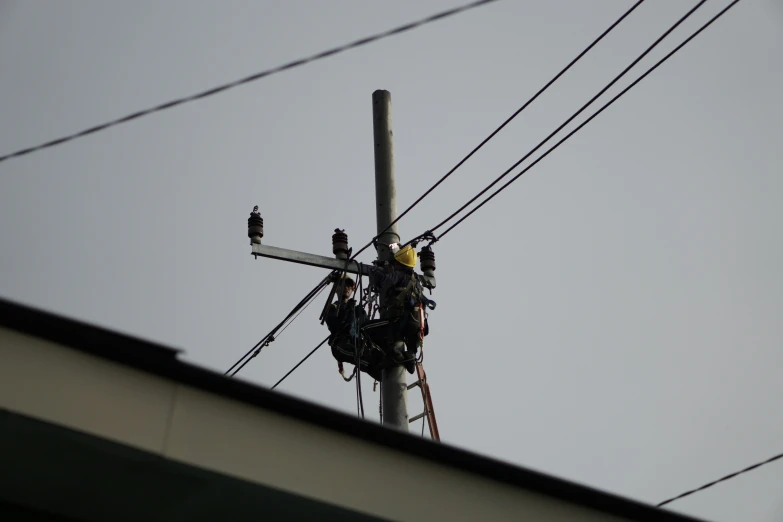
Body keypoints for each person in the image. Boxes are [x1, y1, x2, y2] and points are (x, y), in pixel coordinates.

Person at [368, 243, 431, 374]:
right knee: (409, 339)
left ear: (398, 263)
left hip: (398, 323)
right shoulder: (418, 282)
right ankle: (411, 355)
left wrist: (375, 270)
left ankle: (394, 354)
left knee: (364, 329)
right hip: (418, 328)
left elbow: (383, 281)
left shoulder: (398, 275)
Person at [324, 276, 384, 382]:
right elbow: (337, 326)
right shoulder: (332, 308)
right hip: (340, 344)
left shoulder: (358, 310)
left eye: (349, 286)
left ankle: (388, 373)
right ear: (337, 288)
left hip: (357, 342)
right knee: (362, 358)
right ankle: (383, 377)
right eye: (343, 284)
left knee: (376, 355)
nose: (347, 287)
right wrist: (349, 311)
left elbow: (367, 331)